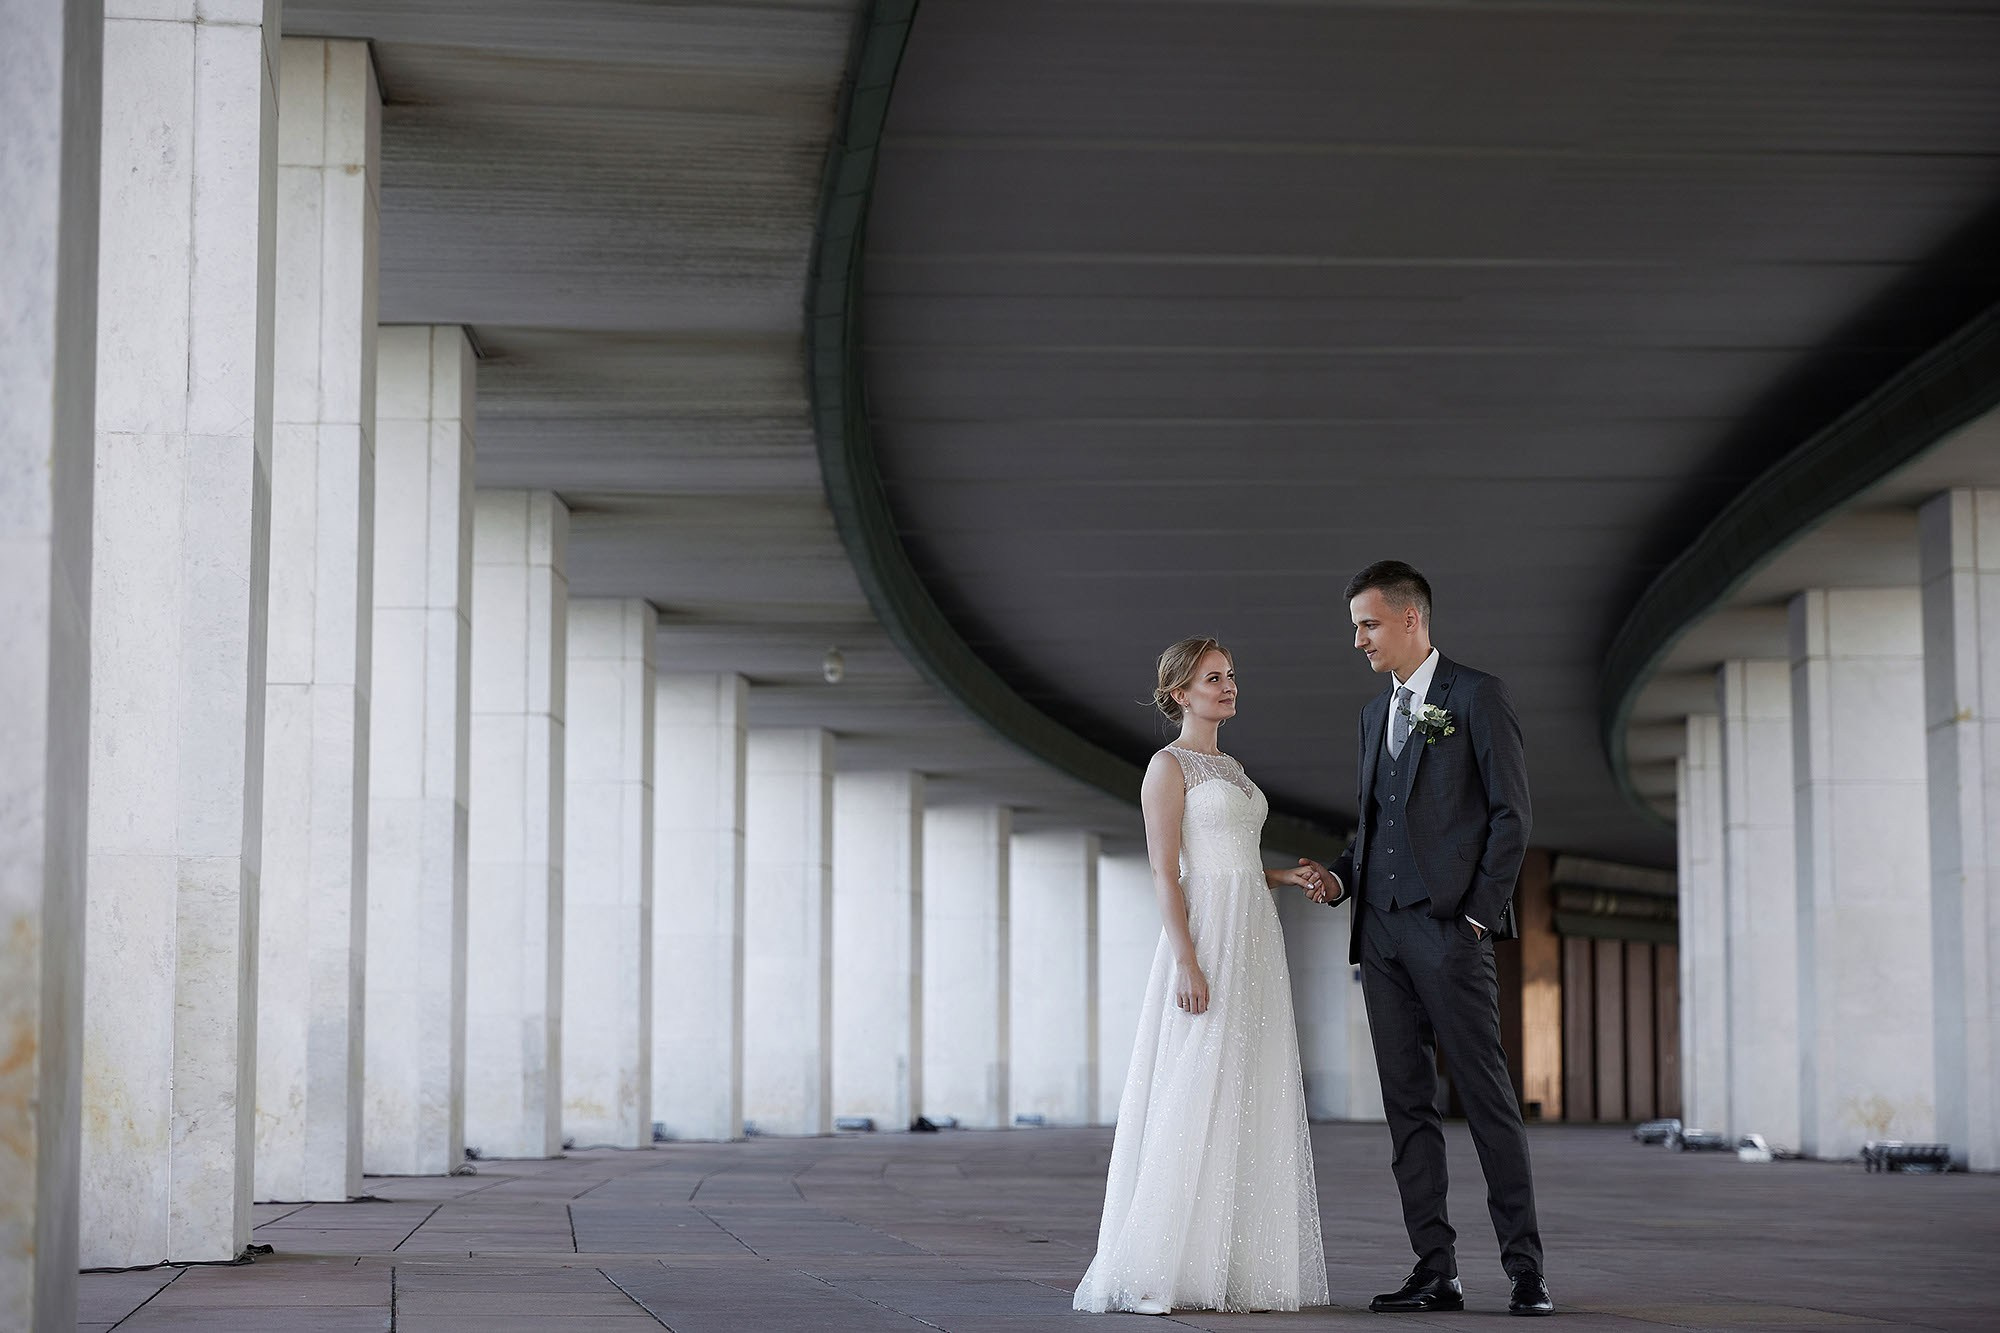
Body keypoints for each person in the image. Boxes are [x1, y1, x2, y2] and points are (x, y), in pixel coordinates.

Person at [1300, 560, 1553, 1317]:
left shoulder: (1477, 696)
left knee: (1486, 1097)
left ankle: (1526, 1269)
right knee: (1407, 1106)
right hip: (1378, 936)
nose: (1358, 639)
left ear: (1411, 619)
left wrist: (1478, 914)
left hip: (1450, 931)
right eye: (1355, 625)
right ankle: (1434, 1268)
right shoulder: (1372, 715)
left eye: (1368, 624)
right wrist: (1343, 878)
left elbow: (1513, 816)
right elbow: (1373, 820)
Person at [1073, 637, 1331, 1316]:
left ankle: (1230, 1262)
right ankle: (1164, 1261)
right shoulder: (1166, 766)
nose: (1229, 686)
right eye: (1213, 678)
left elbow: (1230, 854)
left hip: (1253, 929)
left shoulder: (1234, 766)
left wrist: (1277, 874)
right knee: (1197, 1079)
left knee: (1247, 1081)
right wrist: (1186, 957)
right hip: (1209, 937)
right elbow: (1166, 870)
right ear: (1179, 692)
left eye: (1231, 676)